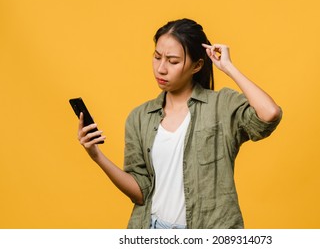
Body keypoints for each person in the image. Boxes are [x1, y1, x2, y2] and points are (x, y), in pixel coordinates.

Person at [77, 18, 282, 229]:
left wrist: (228, 67)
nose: (161, 69)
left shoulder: (221, 105)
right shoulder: (139, 117)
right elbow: (140, 193)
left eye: (173, 61)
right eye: (157, 57)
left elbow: (269, 114)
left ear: (197, 65)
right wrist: (96, 156)